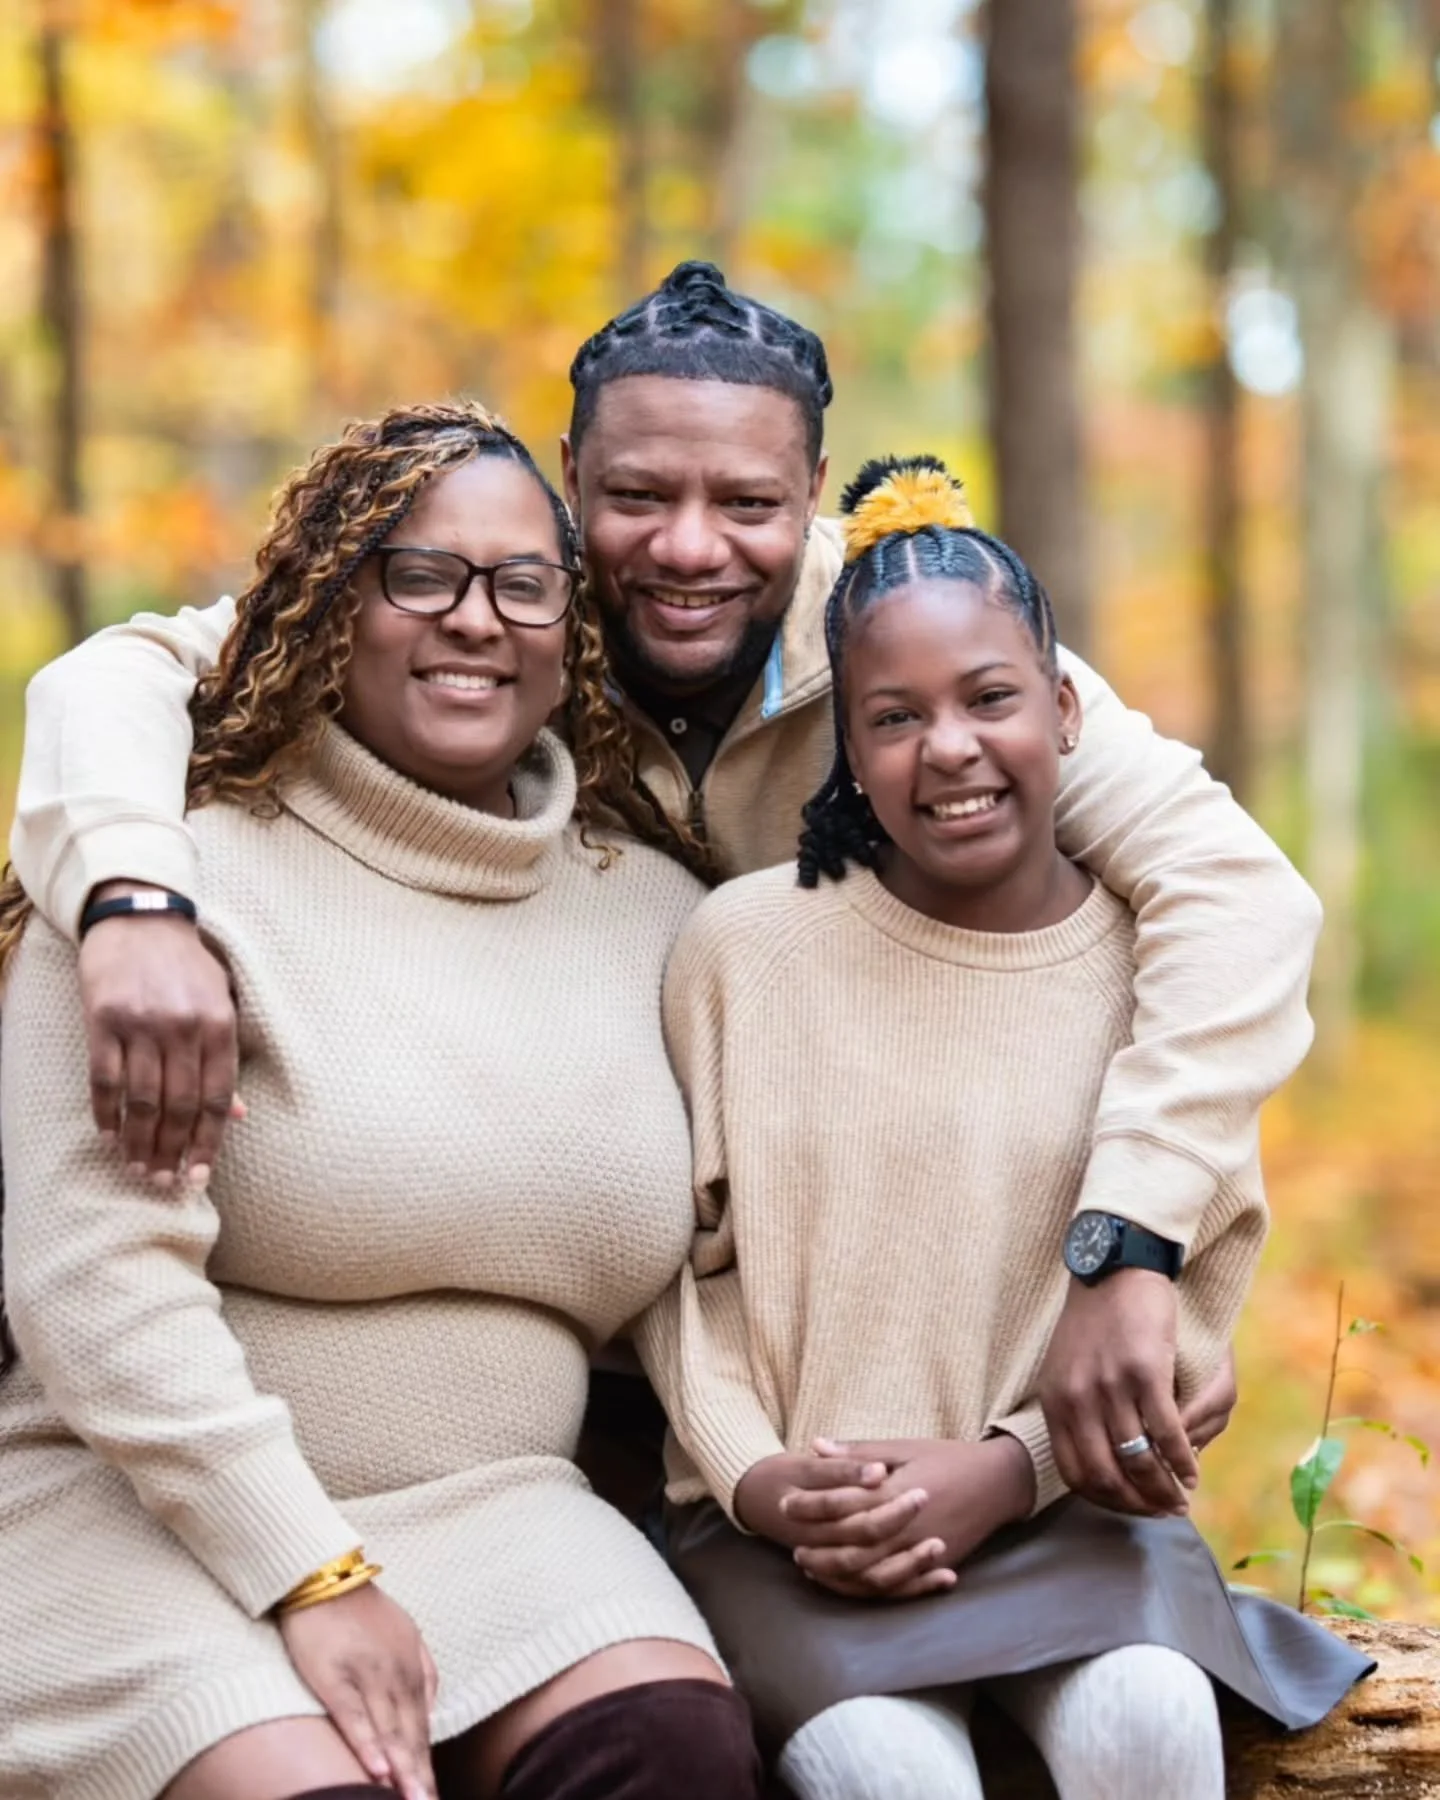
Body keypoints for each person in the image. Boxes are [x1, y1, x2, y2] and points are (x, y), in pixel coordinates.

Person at [12, 261, 1319, 1515]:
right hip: (570, 1260)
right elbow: (117, 676)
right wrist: (132, 904)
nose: (689, 549)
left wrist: (1132, 1242)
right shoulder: (506, 614)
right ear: (572, 477)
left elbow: (1239, 897)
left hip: (853, 1300)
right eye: (637, 496)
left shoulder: (910, 653)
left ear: (812, 491)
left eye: (747, 506)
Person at [0, 402, 762, 1800]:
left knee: (673, 1754)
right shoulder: (162, 888)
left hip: (497, 1510)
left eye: (524, 582)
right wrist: (312, 1573)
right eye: (419, 573)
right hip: (143, 1517)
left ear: (571, 624)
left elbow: (736, 1259)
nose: (478, 617)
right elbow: (91, 1287)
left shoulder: (656, 915)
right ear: (326, 603)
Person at [636, 455, 1371, 1800]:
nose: (952, 749)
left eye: (991, 698)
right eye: (895, 718)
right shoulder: (740, 955)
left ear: (1067, 706)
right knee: (886, 1769)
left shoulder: (1155, 973)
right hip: (801, 1534)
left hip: (1062, 1515)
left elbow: (1195, 1292)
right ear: (845, 749)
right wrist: (754, 1481)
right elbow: (674, 1274)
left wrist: (1008, 1469)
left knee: (1150, 1721)